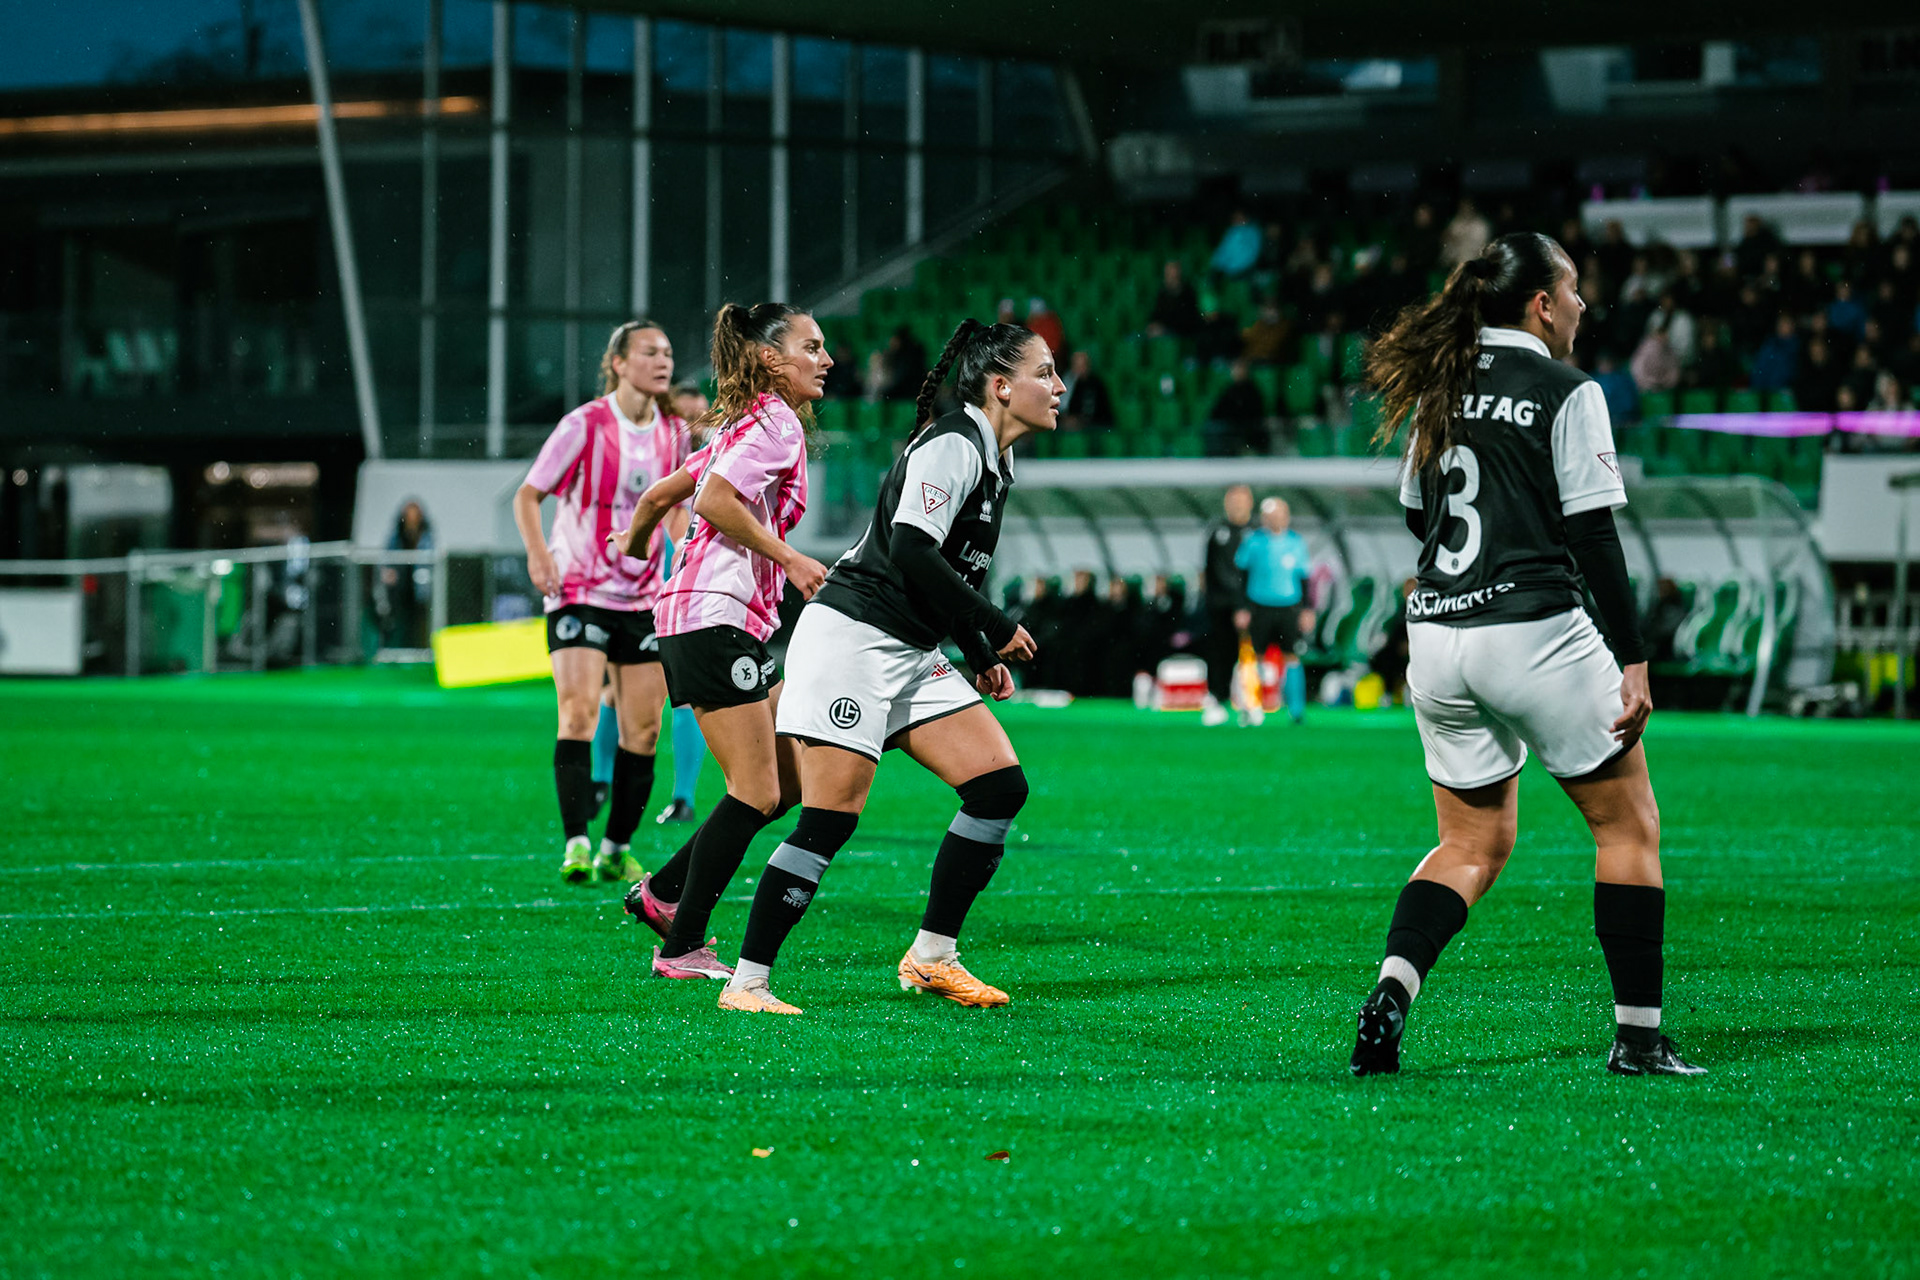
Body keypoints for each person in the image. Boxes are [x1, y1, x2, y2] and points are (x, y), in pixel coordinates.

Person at [1352, 231, 1703, 1077]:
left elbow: (1416, 516)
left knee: (1469, 844)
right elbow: (1592, 534)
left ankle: (1393, 991)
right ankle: (1639, 1038)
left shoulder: (1440, 385)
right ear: (1541, 302)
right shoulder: (1565, 389)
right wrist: (1635, 657)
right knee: (1627, 826)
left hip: (1437, 638)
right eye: (1573, 289)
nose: (1583, 304)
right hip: (1535, 627)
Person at [716, 319, 1056, 1015]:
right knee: (828, 819)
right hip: (855, 642)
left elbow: (947, 570)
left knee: (998, 788)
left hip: (909, 649)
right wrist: (995, 626)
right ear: (999, 385)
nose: (1058, 387)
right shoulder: (955, 443)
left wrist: (979, 653)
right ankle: (746, 982)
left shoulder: (993, 456)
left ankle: (933, 956)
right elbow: (910, 549)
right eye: (1044, 372)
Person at [608, 303, 831, 979]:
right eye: (812, 347)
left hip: (713, 616)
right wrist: (787, 558)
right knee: (758, 790)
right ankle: (681, 946)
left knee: (785, 782)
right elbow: (711, 502)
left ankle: (664, 892)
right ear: (772, 358)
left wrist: (638, 543)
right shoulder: (775, 421)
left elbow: (659, 499)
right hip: (713, 616)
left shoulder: (740, 426)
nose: (826, 360)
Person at [513, 320, 690, 884]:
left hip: (641, 598)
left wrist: (684, 551)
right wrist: (539, 555)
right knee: (580, 713)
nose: (662, 361)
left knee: (644, 730)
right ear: (618, 362)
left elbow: (676, 507)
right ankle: (576, 843)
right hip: (580, 591)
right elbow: (528, 494)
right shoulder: (584, 425)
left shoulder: (673, 432)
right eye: (648, 352)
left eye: (667, 351)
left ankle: (616, 846)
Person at [657, 380, 716, 824]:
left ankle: (682, 796)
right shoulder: (664, 452)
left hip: (681, 592)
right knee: (620, 695)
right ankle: (602, 782)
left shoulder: (707, 459)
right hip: (648, 589)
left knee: (682, 698)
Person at [1233, 497, 1314, 724]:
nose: (1276, 519)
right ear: (1264, 518)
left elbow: (1304, 578)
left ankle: (1296, 710)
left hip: (1288, 607)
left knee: (1292, 656)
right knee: (1254, 656)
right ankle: (1251, 707)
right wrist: (1241, 607)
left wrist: (1307, 610)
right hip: (1259, 606)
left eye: (1280, 514)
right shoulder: (1253, 542)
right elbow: (1242, 576)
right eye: (1271, 515)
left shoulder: (1296, 542)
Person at [1200, 485, 1253, 727]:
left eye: (1241, 501)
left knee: (1248, 655)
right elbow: (1211, 571)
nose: (1236, 505)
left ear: (1250, 504)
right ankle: (1217, 700)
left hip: (1251, 605)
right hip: (1221, 605)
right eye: (1232, 501)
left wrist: (1245, 604)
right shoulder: (1217, 532)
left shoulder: (1256, 533)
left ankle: (1249, 703)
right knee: (1220, 652)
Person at [379, 500, 433, 649]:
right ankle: (396, 649)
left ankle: (421, 649)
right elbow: (386, 558)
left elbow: (430, 559)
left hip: (419, 587)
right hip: (399, 586)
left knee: (420, 620)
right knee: (397, 621)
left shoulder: (426, 535)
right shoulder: (396, 536)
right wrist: (388, 572)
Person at [1204, 359, 1269, 456]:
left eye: (1239, 368)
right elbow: (1216, 411)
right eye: (1234, 368)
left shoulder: (1253, 391)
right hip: (1230, 429)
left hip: (1245, 431)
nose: (1236, 371)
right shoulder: (1229, 390)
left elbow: (1254, 414)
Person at [1145, 261, 1203, 339]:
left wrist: (1163, 328)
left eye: (1174, 274)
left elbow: (1187, 322)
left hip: (1179, 335)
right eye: (1168, 274)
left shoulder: (1188, 294)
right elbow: (1156, 314)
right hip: (1161, 332)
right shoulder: (1162, 293)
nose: (1171, 277)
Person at [1060, 350, 1114, 430]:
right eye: (1075, 365)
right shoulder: (1070, 382)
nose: (1078, 369)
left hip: (1096, 427)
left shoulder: (1096, 384)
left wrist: (1079, 421)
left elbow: (1098, 412)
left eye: (1081, 365)